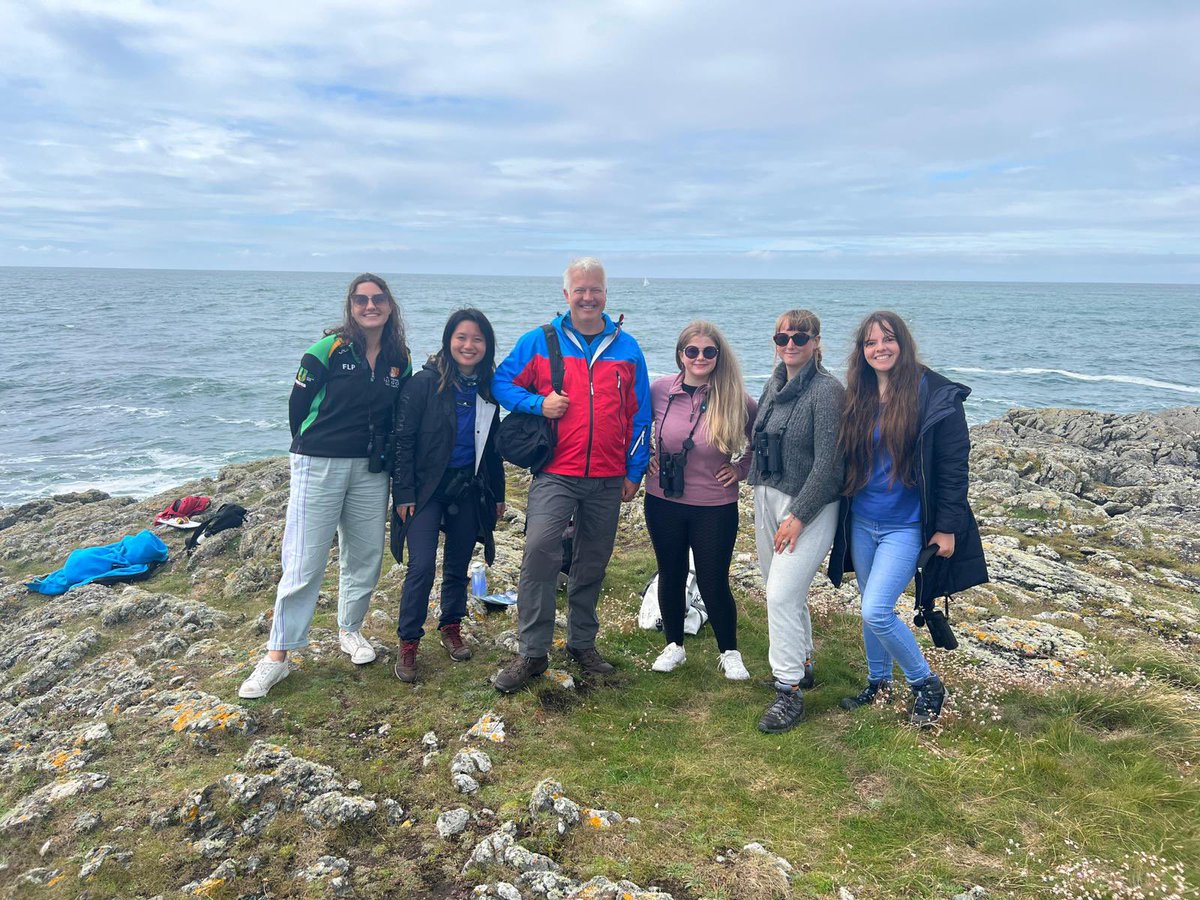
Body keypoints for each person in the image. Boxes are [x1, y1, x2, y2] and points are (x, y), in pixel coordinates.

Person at [239, 274, 411, 699]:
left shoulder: (398, 358)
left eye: (378, 299)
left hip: (372, 469)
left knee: (366, 555)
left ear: (390, 305)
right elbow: (298, 410)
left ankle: (350, 630)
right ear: (350, 306)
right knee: (304, 560)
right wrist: (313, 449)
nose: (370, 306)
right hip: (319, 463)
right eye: (361, 300)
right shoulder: (326, 350)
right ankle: (277, 656)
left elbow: (398, 414)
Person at [491, 256, 651, 692]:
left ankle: (582, 642)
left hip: (607, 476)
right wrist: (537, 404)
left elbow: (640, 416)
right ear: (566, 295)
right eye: (579, 289)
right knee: (541, 552)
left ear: (605, 295)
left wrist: (634, 470)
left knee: (592, 561)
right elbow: (501, 383)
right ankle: (532, 652)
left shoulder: (627, 347)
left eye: (595, 289)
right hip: (556, 473)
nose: (587, 296)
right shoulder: (540, 341)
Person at [828, 311, 988, 727]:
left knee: (876, 610)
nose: (879, 348)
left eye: (887, 339)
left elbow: (954, 466)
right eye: (870, 342)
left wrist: (947, 527)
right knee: (868, 604)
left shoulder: (933, 394)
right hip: (861, 521)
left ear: (903, 342)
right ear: (861, 352)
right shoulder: (858, 394)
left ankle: (926, 683)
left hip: (906, 526)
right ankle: (878, 681)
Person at [390, 309, 506, 682]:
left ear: (486, 346)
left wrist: (498, 494)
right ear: (448, 341)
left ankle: (450, 626)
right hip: (425, 492)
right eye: (461, 337)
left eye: (477, 339)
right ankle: (409, 641)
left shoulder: (488, 389)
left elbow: (491, 448)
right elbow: (403, 441)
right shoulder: (424, 384)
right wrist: (403, 492)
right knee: (421, 565)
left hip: (468, 489)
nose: (468, 345)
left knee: (458, 565)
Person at [747, 309, 845, 734]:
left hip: (809, 505)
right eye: (782, 337)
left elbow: (830, 464)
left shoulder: (827, 392)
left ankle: (787, 690)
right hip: (766, 496)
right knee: (780, 589)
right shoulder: (773, 385)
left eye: (800, 338)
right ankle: (802, 662)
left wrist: (799, 515)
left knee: (782, 594)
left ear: (817, 342)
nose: (790, 345)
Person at [644, 321, 757, 679]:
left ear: (718, 356)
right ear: (680, 355)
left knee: (712, 580)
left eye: (709, 351)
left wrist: (740, 470)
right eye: (692, 351)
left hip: (715, 505)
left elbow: (763, 438)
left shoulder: (735, 397)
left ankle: (730, 651)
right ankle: (674, 645)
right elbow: (632, 425)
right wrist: (639, 457)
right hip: (663, 499)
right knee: (671, 572)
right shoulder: (660, 390)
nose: (700, 357)